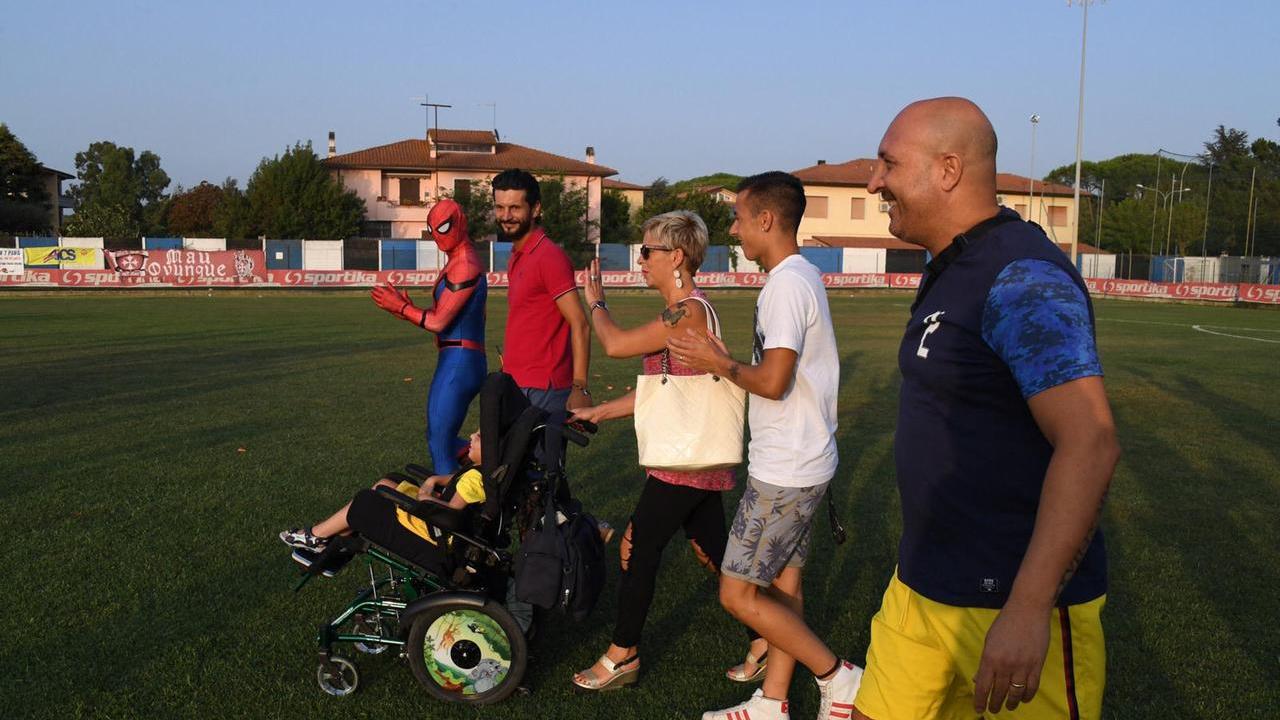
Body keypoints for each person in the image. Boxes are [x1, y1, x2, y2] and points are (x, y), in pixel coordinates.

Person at [848, 97, 1120, 720]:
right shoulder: (953, 266)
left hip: (1011, 604)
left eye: (888, 164)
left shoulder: (1022, 276)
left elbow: (1091, 441)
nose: (874, 181)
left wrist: (1027, 610)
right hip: (921, 587)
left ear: (947, 170)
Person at [670, 172, 861, 720]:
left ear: (766, 220)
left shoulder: (786, 285)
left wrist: (718, 363)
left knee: (737, 593)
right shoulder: (799, 278)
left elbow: (774, 380)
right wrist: (725, 359)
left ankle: (838, 677)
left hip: (787, 469)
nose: (733, 230)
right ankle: (773, 702)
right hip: (803, 459)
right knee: (782, 588)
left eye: (737, 218)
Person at [565, 211, 762, 691]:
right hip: (692, 457)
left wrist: (596, 302)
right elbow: (666, 389)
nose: (640, 258)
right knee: (714, 551)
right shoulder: (685, 311)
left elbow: (613, 344)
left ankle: (623, 654)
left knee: (637, 546)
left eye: (647, 250)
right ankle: (769, 636)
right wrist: (601, 412)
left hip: (685, 465)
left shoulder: (688, 312)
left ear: (676, 256)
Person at [370, 198, 487, 474]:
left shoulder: (464, 264)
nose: (437, 236)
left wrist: (401, 307)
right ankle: (481, 470)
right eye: (432, 229)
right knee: (440, 436)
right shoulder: (459, 261)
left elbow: (438, 321)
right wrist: (404, 311)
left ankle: (451, 506)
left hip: (460, 360)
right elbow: (443, 320)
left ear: (461, 223)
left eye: (444, 227)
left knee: (440, 440)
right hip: (459, 357)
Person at [279, 429, 486, 575]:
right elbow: (453, 481)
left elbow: (452, 513)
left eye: (478, 437)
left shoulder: (476, 479)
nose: (471, 436)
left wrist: (425, 497)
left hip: (436, 532)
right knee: (388, 482)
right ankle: (332, 542)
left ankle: (317, 537)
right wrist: (432, 480)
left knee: (365, 503)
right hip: (437, 521)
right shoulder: (480, 470)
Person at [492, 169, 591, 415]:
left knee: (541, 455)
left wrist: (579, 387)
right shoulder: (517, 256)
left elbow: (580, 323)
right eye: (500, 207)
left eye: (515, 208)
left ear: (535, 209)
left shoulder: (549, 257)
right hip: (516, 382)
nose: (506, 216)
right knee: (508, 454)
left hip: (545, 388)